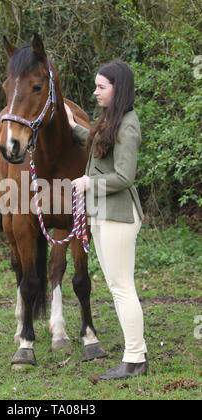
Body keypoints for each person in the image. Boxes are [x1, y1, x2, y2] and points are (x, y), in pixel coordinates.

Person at [65, 61, 148, 380]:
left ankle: (135, 359)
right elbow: (99, 145)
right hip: (104, 214)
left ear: (118, 89)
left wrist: (88, 184)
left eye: (101, 87)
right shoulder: (112, 120)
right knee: (119, 286)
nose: (95, 92)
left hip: (118, 216)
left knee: (122, 287)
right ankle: (135, 356)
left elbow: (125, 176)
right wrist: (74, 126)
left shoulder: (128, 123)